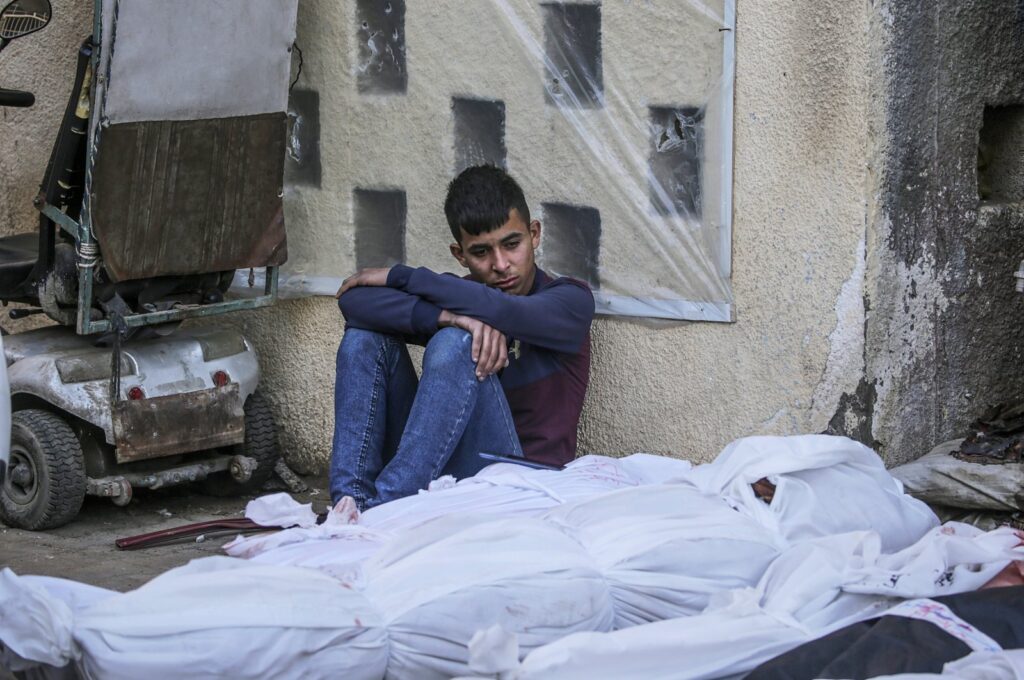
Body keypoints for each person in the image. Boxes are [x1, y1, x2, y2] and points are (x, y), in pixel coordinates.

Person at [331, 165, 595, 510]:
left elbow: (510, 312)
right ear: (460, 254)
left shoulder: (569, 301)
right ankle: (350, 501)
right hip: (441, 468)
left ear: (534, 234)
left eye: (512, 244)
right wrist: (449, 317)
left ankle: (385, 507)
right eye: (481, 252)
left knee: (454, 342)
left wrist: (404, 276)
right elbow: (354, 302)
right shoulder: (462, 297)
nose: (501, 265)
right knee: (364, 340)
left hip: (520, 486)